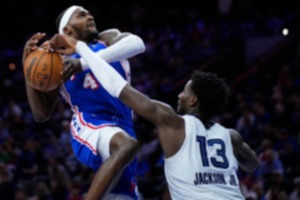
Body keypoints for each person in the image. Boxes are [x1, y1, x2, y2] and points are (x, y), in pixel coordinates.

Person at [50, 33, 260, 200]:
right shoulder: (232, 137)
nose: (179, 95)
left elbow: (117, 86)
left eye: (184, 92)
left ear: (193, 100)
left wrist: (80, 48)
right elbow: (252, 164)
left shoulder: (174, 123)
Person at [22, 5, 145, 200]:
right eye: (81, 15)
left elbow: (137, 44)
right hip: (90, 123)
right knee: (126, 146)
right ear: (67, 30)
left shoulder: (107, 39)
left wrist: (83, 63)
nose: (89, 16)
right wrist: (27, 65)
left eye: (88, 13)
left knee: (121, 194)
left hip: (122, 125)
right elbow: (41, 113)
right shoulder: (56, 60)